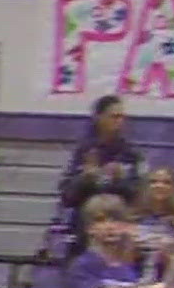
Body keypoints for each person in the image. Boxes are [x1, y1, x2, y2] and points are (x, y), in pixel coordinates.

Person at [56, 95, 145, 260]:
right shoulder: (82, 152)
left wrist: (120, 180)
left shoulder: (131, 154)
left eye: (122, 117)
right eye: (114, 116)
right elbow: (66, 195)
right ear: (99, 118)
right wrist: (85, 177)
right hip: (85, 231)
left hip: (118, 233)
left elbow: (140, 195)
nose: (120, 121)